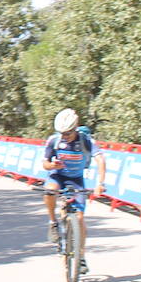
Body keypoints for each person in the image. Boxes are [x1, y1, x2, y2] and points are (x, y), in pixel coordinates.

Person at [41, 108, 107, 273]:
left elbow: (100, 160)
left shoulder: (85, 140)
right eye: (62, 133)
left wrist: (100, 183)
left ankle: (81, 256)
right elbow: (45, 164)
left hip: (76, 179)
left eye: (68, 133)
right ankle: (53, 223)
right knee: (49, 191)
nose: (65, 136)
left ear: (75, 128)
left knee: (79, 217)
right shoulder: (53, 140)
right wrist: (52, 165)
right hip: (57, 175)